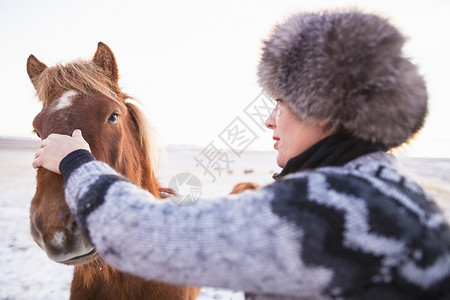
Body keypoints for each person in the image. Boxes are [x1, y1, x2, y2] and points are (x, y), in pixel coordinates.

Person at [32, 10, 450, 299]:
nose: (269, 120)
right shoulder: (385, 189)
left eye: (281, 103)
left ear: (325, 109)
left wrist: (76, 163)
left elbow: (158, 239)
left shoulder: (335, 206)